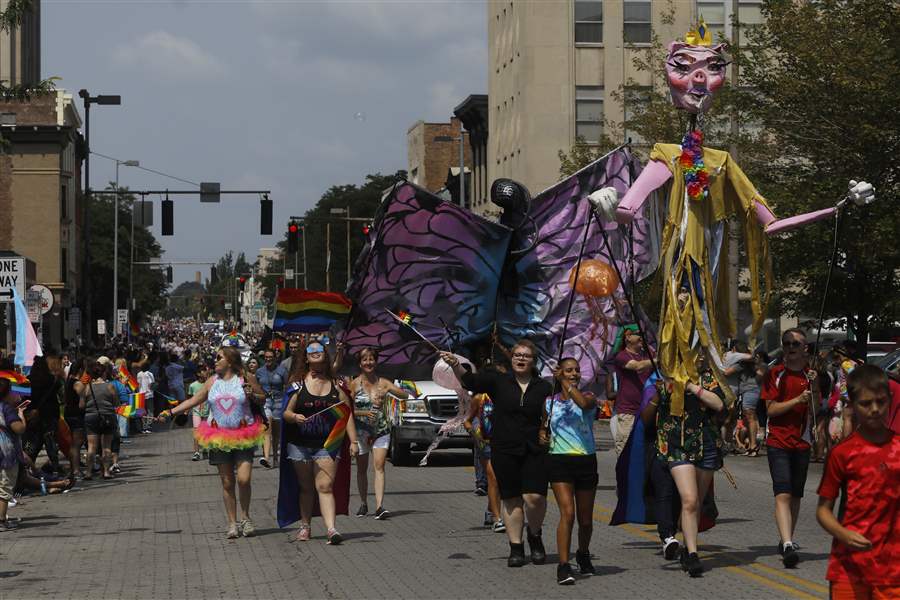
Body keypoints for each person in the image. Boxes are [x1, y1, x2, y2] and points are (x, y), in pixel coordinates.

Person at [440, 339, 553, 568]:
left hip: (534, 450)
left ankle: (535, 534)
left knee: (535, 498)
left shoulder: (544, 387)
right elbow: (470, 380)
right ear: (511, 359)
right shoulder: (497, 381)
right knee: (511, 499)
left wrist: (546, 430)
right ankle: (516, 547)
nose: (521, 359)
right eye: (517, 355)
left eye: (526, 356)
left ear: (533, 361)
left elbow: (555, 411)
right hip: (504, 448)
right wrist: (455, 364)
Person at [159, 347, 266, 539]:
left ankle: (246, 518)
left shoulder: (246, 378)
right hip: (218, 436)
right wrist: (171, 412)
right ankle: (232, 523)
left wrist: (253, 395)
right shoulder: (211, 382)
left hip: (244, 434)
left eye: (219, 357)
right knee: (227, 482)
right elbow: (194, 400)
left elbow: (262, 398)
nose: (214, 361)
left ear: (231, 361)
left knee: (244, 479)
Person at [816, 364, 900, 599]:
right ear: (851, 405)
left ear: (890, 399)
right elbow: (823, 511)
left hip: (893, 569)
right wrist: (843, 534)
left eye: (881, 401)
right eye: (865, 403)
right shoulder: (842, 453)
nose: (874, 409)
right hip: (848, 567)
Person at [644, 355, 725, 577]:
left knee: (696, 502)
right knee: (689, 500)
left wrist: (691, 386)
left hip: (706, 444)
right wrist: (658, 393)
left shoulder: (707, 378)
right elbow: (647, 417)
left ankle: (687, 541)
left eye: (700, 353)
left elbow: (719, 404)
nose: (698, 357)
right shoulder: (666, 379)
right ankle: (692, 553)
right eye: (692, 353)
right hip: (676, 445)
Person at [281, 341, 358, 544]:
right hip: (300, 445)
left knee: (325, 486)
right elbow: (286, 413)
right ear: (306, 357)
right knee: (306, 488)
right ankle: (305, 527)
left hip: (328, 444)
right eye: (311, 350)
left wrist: (353, 441)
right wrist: (295, 416)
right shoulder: (297, 384)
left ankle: (331, 529)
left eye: (319, 349)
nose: (315, 352)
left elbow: (347, 413)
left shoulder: (337, 385)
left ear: (325, 355)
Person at [761, 328, 818, 568]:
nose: (790, 347)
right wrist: (796, 400)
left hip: (801, 442)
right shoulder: (774, 373)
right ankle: (786, 544)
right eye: (786, 343)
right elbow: (771, 410)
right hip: (778, 441)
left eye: (795, 344)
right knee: (782, 493)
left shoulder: (811, 375)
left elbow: (817, 407)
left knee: (796, 495)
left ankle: (788, 538)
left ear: (805, 348)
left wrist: (814, 389)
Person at [540, 358, 598, 585]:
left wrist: (565, 382)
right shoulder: (549, 402)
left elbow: (583, 404)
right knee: (568, 514)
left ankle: (583, 552)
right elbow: (543, 426)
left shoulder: (590, 397)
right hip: (559, 461)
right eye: (568, 370)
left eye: (576, 371)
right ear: (559, 373)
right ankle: (564, 565)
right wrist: (542, 435)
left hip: (585, 461)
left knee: (585, 520)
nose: (573, 373)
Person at [348, 347, 409, 519]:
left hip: (381, 430)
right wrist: (362, 413)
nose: (368, 362)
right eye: (365, 359)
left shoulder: (383, 382)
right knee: (361, 469)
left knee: (379, 466)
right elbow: (347, 410)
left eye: (371, 359)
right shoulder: (354, 384)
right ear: (360, 363)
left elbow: (405, 395)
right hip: (360, 432)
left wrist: (389, 390)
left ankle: (380, 506)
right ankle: (363, 503)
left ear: (376, 361)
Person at [612, 326, 654, 454]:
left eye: (643, 333)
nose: (642, 337)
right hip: (628, 413)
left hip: (647, 412)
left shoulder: (648, 355)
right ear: (628, 337)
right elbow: (636, 366)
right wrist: (656, 361)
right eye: (638, 334)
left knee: (645, 453)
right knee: (626, 452)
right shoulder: (621, 356)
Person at [82, 359, 119, 480]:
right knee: (106, 446)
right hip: (108, 417)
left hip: (91, 417)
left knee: (92, 446)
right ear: (103, 373)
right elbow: (116, 403)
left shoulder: (87, 388)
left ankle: (88, 472)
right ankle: (107, 472)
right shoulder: (110, 386)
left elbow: (81, 405)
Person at [0, 374, 26, 531]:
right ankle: (1, 520)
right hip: (5, 452)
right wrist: (22, 418)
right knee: (4, 487)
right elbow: (19, 429)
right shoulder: (6, 408)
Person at [256, 350, 288, 469]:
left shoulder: (282, 370)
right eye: (266, 357)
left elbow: (287, 386)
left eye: (270, 357)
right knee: (267, 428)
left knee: (276, 433)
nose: (268, 359)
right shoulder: (259, 371)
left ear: (275, 358)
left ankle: (275, 458)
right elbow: (257, 386)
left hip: (279, 402)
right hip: (266, 402)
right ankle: (266, 457)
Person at [62, 358, 88, 479]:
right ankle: (76, 470)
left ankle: (74, 468)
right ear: (81, 369)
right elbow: (82, 404)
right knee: (76, 444)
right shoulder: (78, 384)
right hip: (77, 416)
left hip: (68, 414)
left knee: (73, 444)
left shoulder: (68, 381)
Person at [189, 363, 211, 461]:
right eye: (204, 370)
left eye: (207, 370)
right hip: (196, 411)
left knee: (206, 431)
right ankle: (197, 452)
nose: (207, 372)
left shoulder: (210, 384)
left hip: (208, 411)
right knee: (197, 431)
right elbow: (189, 398)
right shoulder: (193, 385)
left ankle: (205, 449)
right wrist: (186, 410)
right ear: (198, 373)